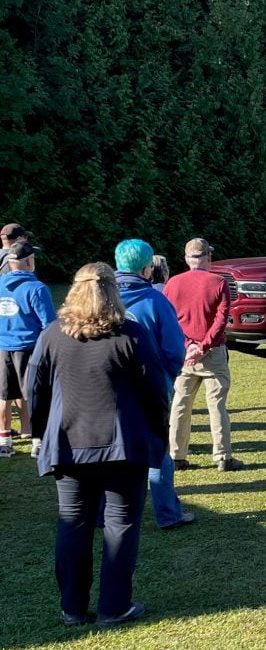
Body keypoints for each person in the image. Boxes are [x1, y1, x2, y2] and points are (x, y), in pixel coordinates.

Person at [27, 262, 169, 626]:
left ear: (74, 291)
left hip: (69, 444)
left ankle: (72, 607)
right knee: (120, 523)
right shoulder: (131, 335)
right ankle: (114, 605)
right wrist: (159, 431)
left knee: (72, 522)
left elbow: (36, 392)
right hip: (122, 446)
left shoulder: (52, 335)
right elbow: (155, 390)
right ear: (113, 292)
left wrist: (42, 432)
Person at [114, 239, 194, 529]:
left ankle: (103, 512)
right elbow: (174, 349)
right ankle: (168, 514)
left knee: (109, 446)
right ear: (148, 269)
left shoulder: (99, 299)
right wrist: (168, 378)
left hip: (108, 384)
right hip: (152, 385)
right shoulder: (157, 301)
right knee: (157, 449)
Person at [163, 238, 243, 471]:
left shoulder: (173, 284)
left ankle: (176, 455)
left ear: (187, 259)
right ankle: (222, 456)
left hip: (185, 353)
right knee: (217, 404)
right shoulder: (219, 282)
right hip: (213, 352)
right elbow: (221, 319)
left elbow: (170, 320)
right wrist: (205, 345)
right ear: (209, 258)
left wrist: (189, 345)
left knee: (180, 403)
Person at [0, 240, 56, 458]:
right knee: (35, 394)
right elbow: (49, 324)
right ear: (29, 261)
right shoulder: (37, 288)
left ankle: (4, 441)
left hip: (3, 346)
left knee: (4, 396)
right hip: (30, 348)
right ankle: (38, 441)